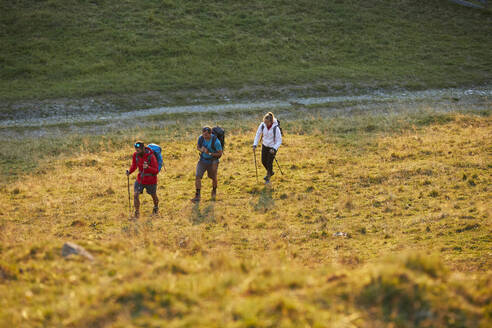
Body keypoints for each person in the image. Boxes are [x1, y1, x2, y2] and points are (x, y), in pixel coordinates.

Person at [126, 141, 159, 218]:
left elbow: (156, 170)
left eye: (138, 150)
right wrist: (129, 172)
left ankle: (156, 207)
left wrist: (148, 167)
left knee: (153, 195)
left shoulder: (151, 156)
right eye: (136, 150)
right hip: (140, 179)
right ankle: (137, 212)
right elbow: (134, 166)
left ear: (143, 148)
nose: (137, 151)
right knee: (136, 194)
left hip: (151, 180)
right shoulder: (136, 155)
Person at [191, 127, 223, 203]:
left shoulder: (216, 142)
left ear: (210, 133)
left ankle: (214, 190)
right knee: (198, 176)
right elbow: (198, 147)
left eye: (206, 135)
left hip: (213, 161)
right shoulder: (201, 138)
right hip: (202, 160)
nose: (204, 136)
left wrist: (209, 153)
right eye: (203, 134)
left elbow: (220, 153)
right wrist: (201, 150)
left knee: (212, 177)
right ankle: (197, 196)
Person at [253, 112, 282, 184]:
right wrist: (255, 144)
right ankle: (270, 171)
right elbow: (258, 134)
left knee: (269, 162)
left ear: (271, 122)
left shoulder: (276, 128)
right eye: (264, 122)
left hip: (272, 147)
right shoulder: (262, 125)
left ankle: (268, 177)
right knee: (263, 161)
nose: (265, 124)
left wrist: (274, 149)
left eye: (267, 123)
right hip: (265, 145)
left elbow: (279, 140)